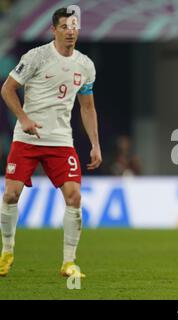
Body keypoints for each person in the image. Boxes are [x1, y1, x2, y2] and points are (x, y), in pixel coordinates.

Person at [0, 8, 102, 277]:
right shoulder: (36, 57)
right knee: (10, 194)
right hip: (27, 138)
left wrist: (95, 144)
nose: (70, 31)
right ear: (53, 30)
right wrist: (23, 118)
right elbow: (7, 89)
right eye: (65, 26)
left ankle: (69, 262)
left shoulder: (85, 65)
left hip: (60, 141)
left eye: (74, 26)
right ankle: (7, 252)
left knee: (74, 196)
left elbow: (88, 108)